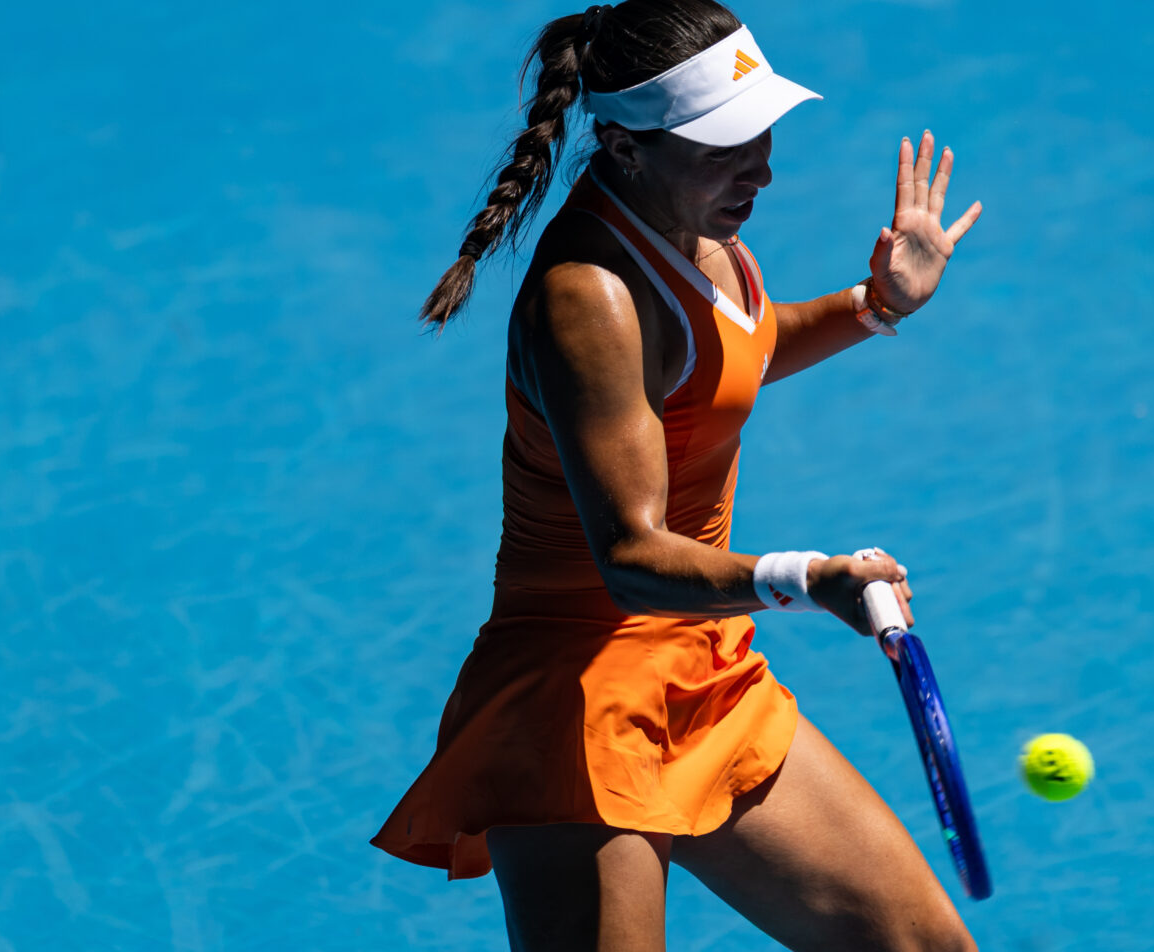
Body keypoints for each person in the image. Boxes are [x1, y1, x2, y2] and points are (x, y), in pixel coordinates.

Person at [373, 2, 983, 949]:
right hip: (577, 703)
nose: (760, 169)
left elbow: (732, 353)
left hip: (702, 663)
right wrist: (809, 580)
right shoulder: (589, 299)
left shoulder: (695, 228)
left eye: (760, 134)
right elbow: (629, 557)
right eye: (722, 147)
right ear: (624, 146)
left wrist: (875, 304)